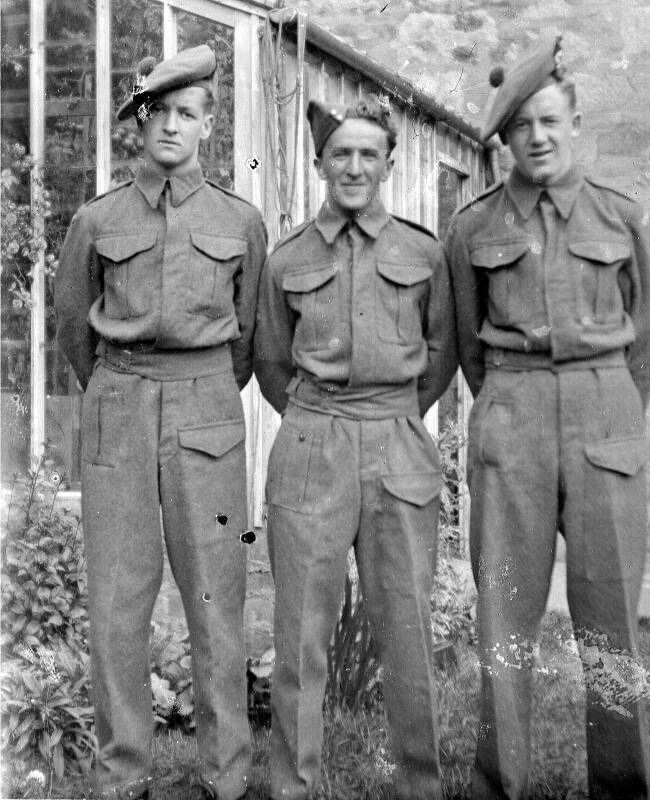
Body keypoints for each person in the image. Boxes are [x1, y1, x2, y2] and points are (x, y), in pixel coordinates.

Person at [445, 32, 650, 800]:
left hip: (605, 414)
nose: (536, 138)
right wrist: (511, 401)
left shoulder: (620, 215)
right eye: (520, 126)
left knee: (610, 617)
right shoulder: (473, 227)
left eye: (548, 121)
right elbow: (465, 339)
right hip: (511, 413)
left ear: (574, 123)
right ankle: (497, 784)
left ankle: (621, 785)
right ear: (504, 139)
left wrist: (612, 406)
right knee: (503, 615)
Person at [55, 45, 267, 800]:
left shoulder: (239, 220)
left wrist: (198, 387)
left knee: (216, 594)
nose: (172, 125)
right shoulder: (96, 218)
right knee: (117, 599)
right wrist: (121, 389)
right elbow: (73, 329)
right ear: (139, 125)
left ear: (208, 125)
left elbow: (248, 335)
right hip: (118, 405)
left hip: (206, 409)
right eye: (159, 112)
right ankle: (124, 774)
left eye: (188, 112)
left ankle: (226, 775)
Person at [254, 96, 457, 800]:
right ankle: (292, 784)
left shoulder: (422, 252)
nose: (353, 166)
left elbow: (441, 353)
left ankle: (420, 785)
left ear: (389, 165)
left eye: (369, 154)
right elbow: (271, 361)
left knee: (406, 627)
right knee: (300, 631)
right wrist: (319, 421)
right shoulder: (287, 258)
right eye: (340, 153)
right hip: (313, 441)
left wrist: (391, 416)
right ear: (319, 164)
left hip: (398, 441)